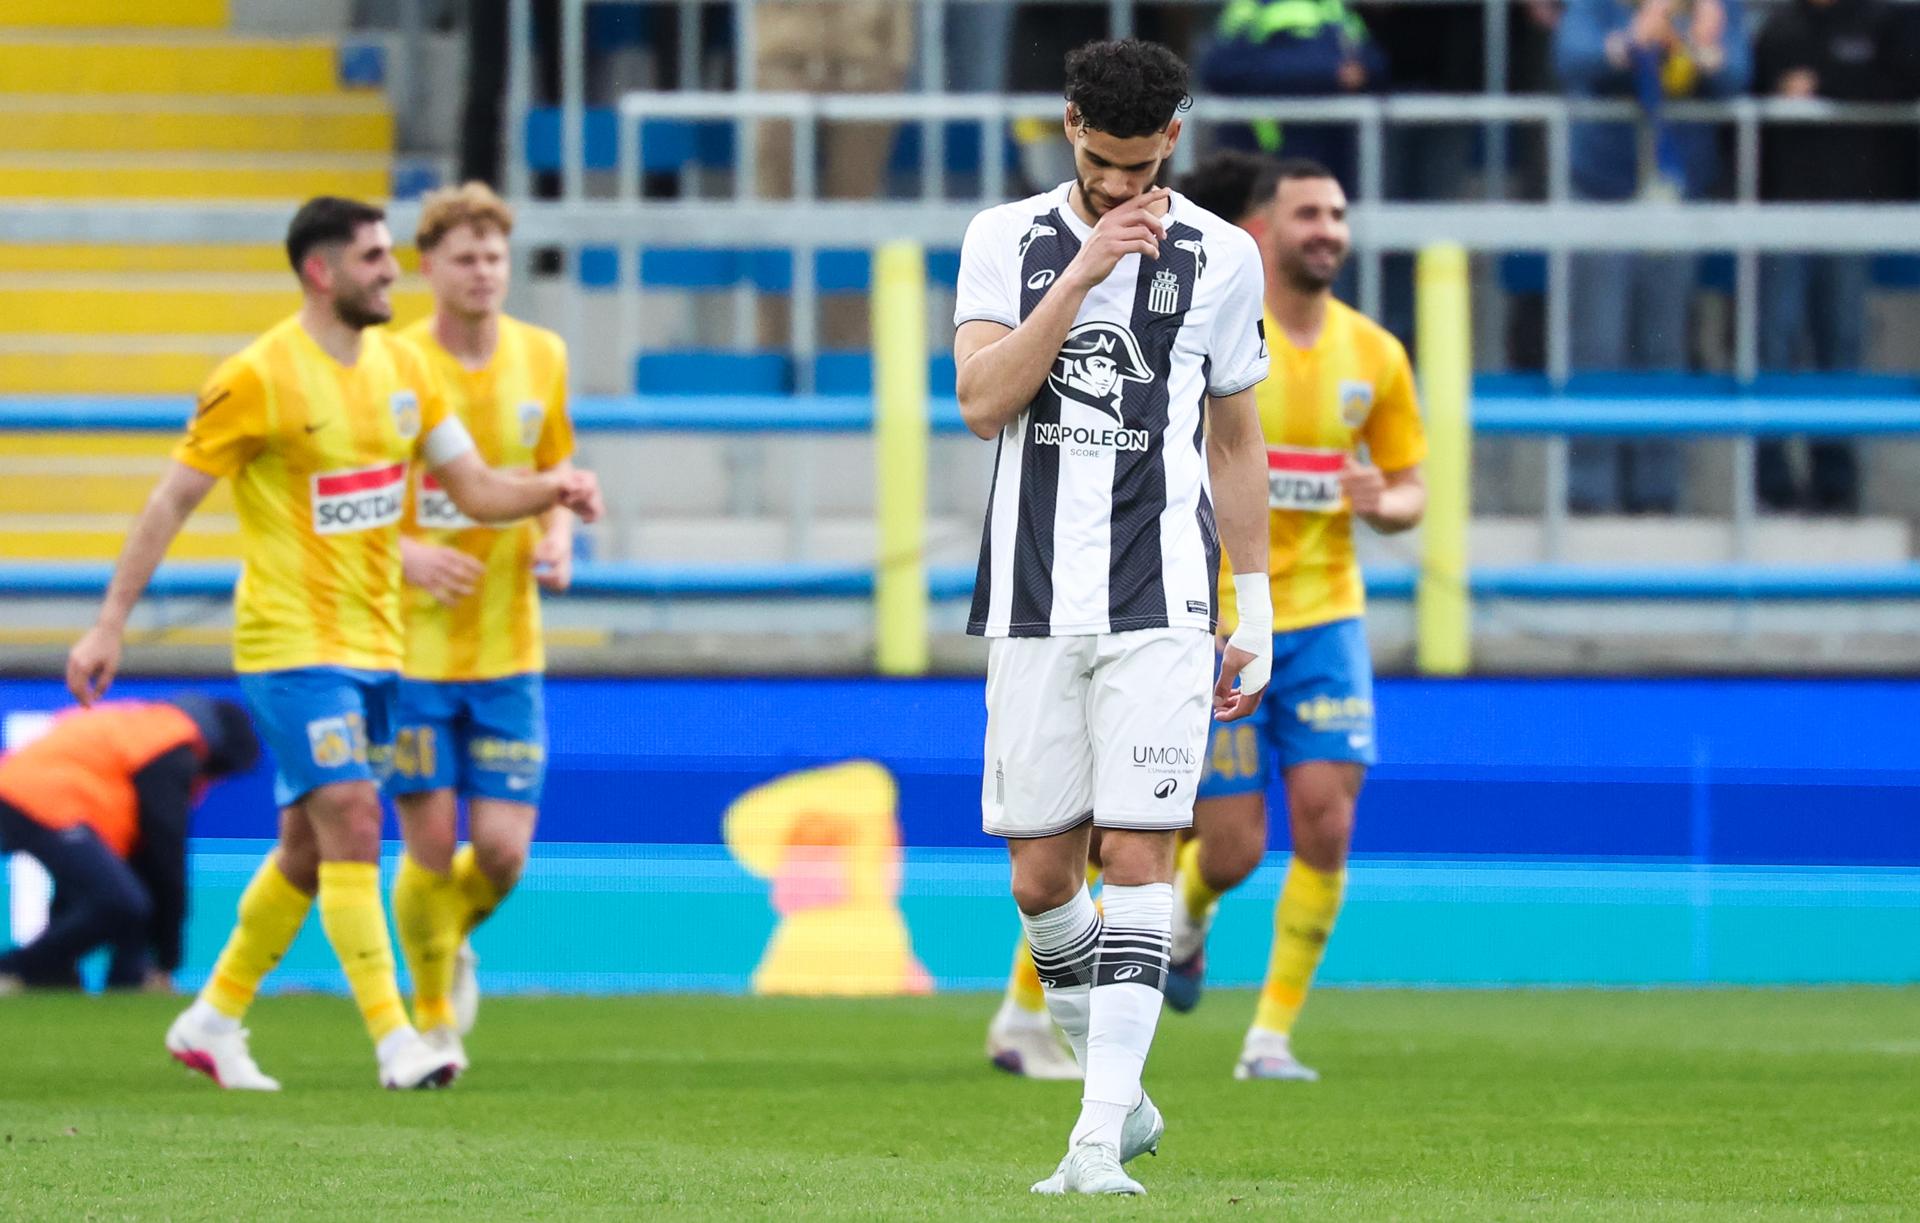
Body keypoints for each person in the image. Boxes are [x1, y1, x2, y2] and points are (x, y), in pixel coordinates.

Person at [65, 195, 603, 1092]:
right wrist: (110, 621)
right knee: (354, 815)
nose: (393, 271)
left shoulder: (404, 370)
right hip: (288, 645)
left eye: (391, 255)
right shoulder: (257, 375)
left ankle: (212, 1017)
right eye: (374, 258)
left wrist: (556, 491)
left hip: (378, 648)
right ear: (322, 272)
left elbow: (472, 488)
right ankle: (401, 1039)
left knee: (306, 852)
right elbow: (171, 501)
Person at [954, 39, 1274, 1196]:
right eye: (1103, 165)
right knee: (1042, 878)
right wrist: (1082, 272)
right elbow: (984, 403)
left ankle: (1092, 1140)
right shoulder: (1005, 239)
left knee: (1140, 847)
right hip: (1034, 597)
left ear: (1171, 140)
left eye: (1142, 170)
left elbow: (1236, 442)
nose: (1124, 190)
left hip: (1165, 596)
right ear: (1071, 123)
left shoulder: (1227, 259)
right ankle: (1122, 1094)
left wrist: (1260, 603)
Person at [1152, 156, 1427, 1083]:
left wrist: (1383, 501)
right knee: (1228, 848)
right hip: (1222, 616)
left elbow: (1411, 488)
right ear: (1262, 229)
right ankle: (1188, 920)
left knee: (1328, 823)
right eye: (1310, 212)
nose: (1329, 229)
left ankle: (1268, 1038)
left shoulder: (1376, 354)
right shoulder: (1219, 339)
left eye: (1340, 213)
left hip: (1328, 622)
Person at [385, 182, 577, 1065]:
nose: (483, 271)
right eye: (464, 257)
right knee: (427, 842)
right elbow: (348, 494)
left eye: (494, 256)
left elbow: (556, 469)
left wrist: (558, 537)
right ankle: (428, 1016)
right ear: (429, 268)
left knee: (499, 854)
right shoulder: (391, 364)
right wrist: (405, 555)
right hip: (410, 648)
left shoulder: (542, 355)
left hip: (508, 646)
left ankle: (447, 936)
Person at [1556, 0, 1751, 514]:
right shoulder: (1598, 5)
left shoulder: (1714, 6)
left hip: (1674, 189)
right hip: (1602, 187)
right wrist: (1635, 37)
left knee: (1663, 344)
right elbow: (1572, 59)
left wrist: (1699, 47)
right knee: (1597, 341)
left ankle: (1657, 494)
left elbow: (1736, 74)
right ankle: (1588, 495)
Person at [1753, 0, 1914, 513]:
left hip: (1848, 213)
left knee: (1840, 342)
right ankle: (1773, 483)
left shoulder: (1878, 21)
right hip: (1781, 214)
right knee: (1774, 342)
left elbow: (1902, 82)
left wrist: (1824, 86)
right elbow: (1746, 99)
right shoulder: (1778, 28)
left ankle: (1836, 482)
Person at [0, 696, 259, 994]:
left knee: (107, 897)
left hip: (26, 791)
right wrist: (167, 961)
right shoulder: (172, 744)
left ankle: (77, 980)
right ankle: (12, 970)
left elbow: (147, 863)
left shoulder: (146, 725)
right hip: (45, 798)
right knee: (122, 903)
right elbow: (165, 857)